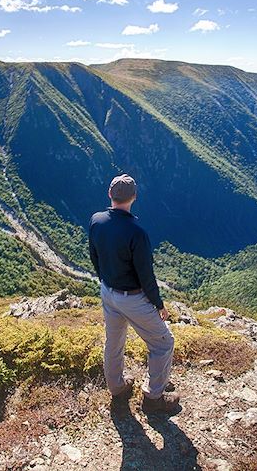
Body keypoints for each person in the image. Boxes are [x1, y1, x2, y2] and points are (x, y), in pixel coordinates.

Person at [89, 174, 179, 414]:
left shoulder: (96, 220)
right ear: (134, 197)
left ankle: (117, 388)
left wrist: (105, 279)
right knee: (163, 343)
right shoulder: (136, 232)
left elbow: (94, 255)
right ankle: (153, 399)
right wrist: (159, 304)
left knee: (114, 341)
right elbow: (146, 276)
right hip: (133, 298)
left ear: (110, 194)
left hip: (108, 292)